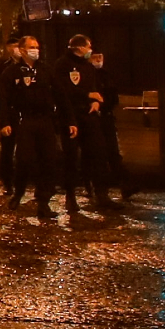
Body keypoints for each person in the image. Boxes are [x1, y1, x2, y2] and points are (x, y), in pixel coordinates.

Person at [0, 35, 65, 220]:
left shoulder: (45, 70)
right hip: (24, 120)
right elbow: (2, 100)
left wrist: (69, 121)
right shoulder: (11, 73)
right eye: (32, 47)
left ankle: (43, 202)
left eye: (37, 46)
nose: (36, 50)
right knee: (25, 160)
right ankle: (19, 191)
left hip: (45, 121)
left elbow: (60, 96)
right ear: (23, 50)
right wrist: (4, 123)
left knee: (49, 161)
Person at [56, 34, 108, 211]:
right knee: (71, 158)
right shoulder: (62, 65)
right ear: (79, 48)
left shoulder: (87, 66)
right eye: (88, 47)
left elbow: (95, 87)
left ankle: (102, 194)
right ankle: (70, 196)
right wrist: (87, 95)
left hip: (89, 115)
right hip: (71, 117)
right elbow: (63, 90)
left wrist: (96, 101)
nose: (90, 50)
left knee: (98, 153)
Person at [89, 48, 137, 201]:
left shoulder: (105, 75)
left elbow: (113, 97)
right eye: (95, 57)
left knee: (113, 154)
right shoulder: (87, 75)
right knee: (97, 155)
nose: (98, 60)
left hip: (107, 118)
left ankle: (125, 184)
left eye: (100, 57)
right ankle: (99, 189)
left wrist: (105, 105)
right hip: (94, 119)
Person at [0, 41, 23, 196]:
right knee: (7, 148)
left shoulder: (35, 68)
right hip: (11, 112)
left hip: (26, 114)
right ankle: (7, 179)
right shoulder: (5, 68)